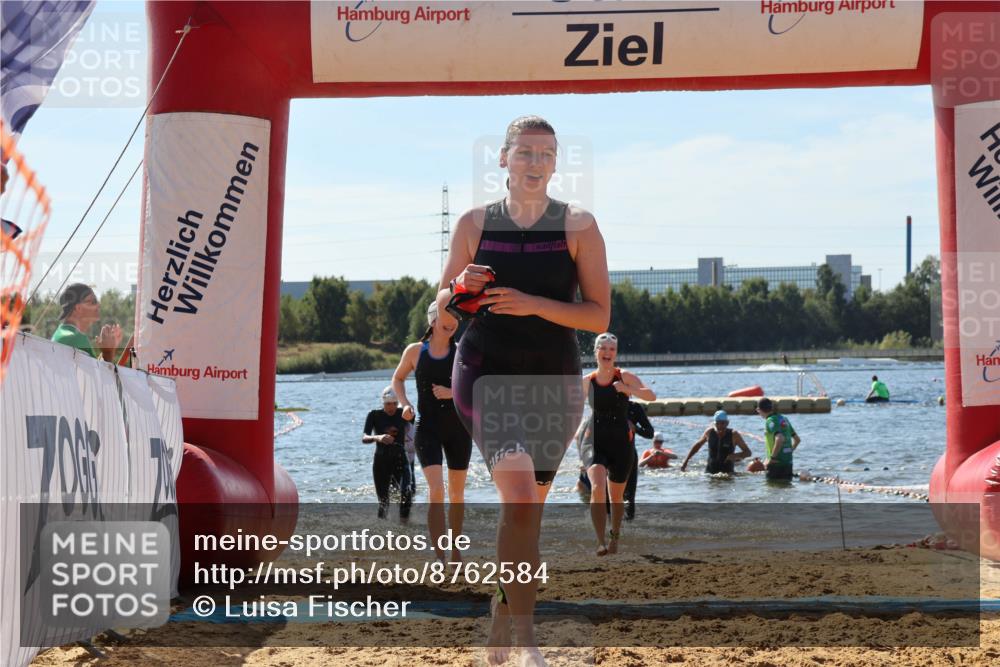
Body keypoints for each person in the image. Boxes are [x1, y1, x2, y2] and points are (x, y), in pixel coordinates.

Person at [437, 115, 610, 667]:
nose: (536, 163)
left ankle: (501, 616)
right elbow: (440, 308)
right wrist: (459, 291)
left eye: (547, 154)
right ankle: (527, 641)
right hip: (484, 372)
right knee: (517, 498)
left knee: (525, 514)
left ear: (556, 162)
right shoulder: (472, 223)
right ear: (504, 159)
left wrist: (534, 303)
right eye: (526, 153)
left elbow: (598, 314)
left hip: (553, 378)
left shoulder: (579, 225)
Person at [392, 301, 470, 563]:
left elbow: (476, 389)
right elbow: (398, 378)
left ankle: (456, 550)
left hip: (459, 429)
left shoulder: (462, 353)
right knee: (437, 490)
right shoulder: (415, 351)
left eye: (456, 317)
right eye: (447, 315)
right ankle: (440, 556)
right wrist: (404, 404)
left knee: (457, 494)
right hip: (427, 429)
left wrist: (453, 392)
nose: (453, 322)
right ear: (433, 320)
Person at [583, 332, 655, 557]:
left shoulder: (624, 376)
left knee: (616, 498)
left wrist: (628, 390)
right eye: (602, 348)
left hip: (622, 446)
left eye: (611, 349)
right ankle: (600, 542)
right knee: (596, 487)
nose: (607, 352)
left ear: (616, 353)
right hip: (595, 441)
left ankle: (615, 537)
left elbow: (650, 396)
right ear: (595, 352)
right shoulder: (588, 381)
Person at [362, 387, 415, 520]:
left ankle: (405, 527)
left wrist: (408, 407)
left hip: (400, 460)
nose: (391, 407)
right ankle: (382, 532)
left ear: (398, 403)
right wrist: (377, 437)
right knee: (384, 502)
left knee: (406, 494)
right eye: (387, 404)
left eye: (394, 403)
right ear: (382, 402)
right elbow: (365, 437)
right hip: (381, 461)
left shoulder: (403, 413)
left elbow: (415, 419)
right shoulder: (374, 415)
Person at [50, 283, 127, 363]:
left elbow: (92, 368)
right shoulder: (75, 338)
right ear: (78, 308)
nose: (98, 305)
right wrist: (108, 352)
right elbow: (98, 375)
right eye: (93, 302)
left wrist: (109, 349)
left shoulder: (62, 333)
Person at [679, 410, 753, 474]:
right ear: (714, 423)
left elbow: (748, 452)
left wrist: (735, 456)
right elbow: (697, 446)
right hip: (709, 472)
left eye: (723, 423)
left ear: (727, 423)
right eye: (717, 423)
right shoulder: (709, 432)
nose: (720, 426)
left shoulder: (734, 434)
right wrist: (686, 461)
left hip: (728, 473)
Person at [755, 397, 801, 480]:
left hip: (776, 464)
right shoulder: (784, 419)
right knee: (786, 490)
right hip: (788, 463)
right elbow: (797, 440)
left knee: (772, 490)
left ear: (759, 410)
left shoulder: (770, 420)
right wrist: (789, 452)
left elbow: (779, 438)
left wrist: (772, 458)